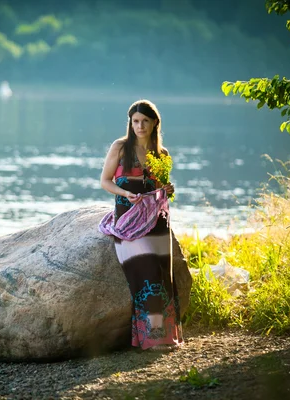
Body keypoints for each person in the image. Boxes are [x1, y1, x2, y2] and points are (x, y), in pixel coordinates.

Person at [99, 99, 183, 351]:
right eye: (135, 121)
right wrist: (125, 194)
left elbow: (161, 190)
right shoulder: (120, 147)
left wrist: (168, 189)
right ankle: (151, 337)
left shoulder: (162, 154)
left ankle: (163, 336)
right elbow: (105, 181)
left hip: (157, 221)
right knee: (147, 273)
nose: (140, 126)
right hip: (128, 220)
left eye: (145, 121)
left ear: (155, 122)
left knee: (161, 275)